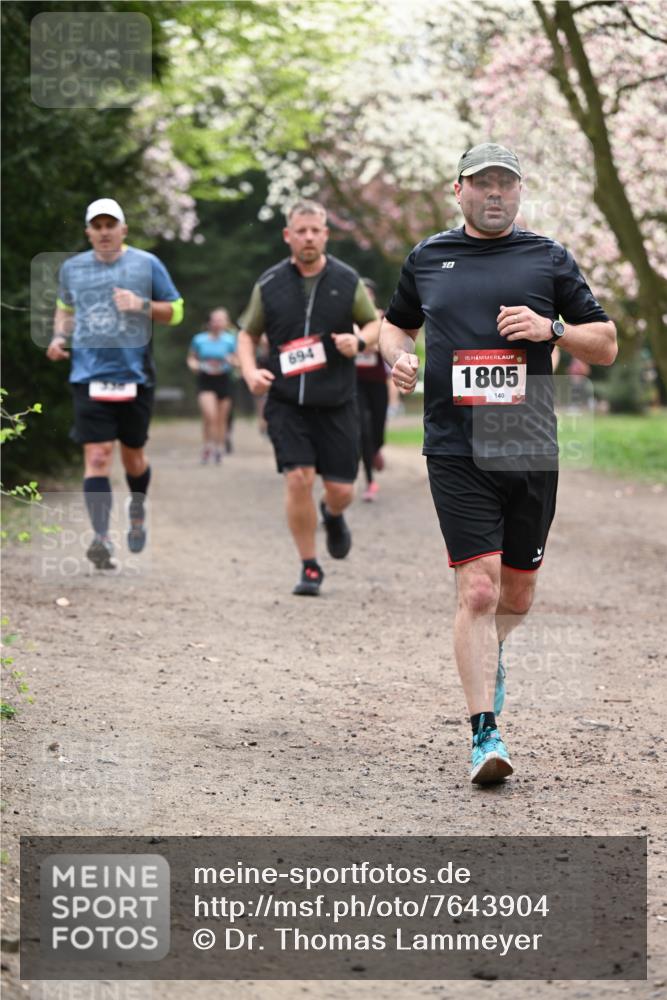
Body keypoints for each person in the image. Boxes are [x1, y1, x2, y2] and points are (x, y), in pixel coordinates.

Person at [380, 143, 617, 784]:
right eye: (483, 183)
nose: (495, 194)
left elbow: (608, 343)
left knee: (517, 592)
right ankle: (485, 734)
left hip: (524, 436)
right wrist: (394, 357)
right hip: (455, 442)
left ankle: (493, 652)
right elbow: (393, 324)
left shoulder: (548, 258)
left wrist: (553, 330)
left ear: (518, 193)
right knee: (478, 589)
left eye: (506, 185)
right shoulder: (428, 257)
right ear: (458, 189)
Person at [237, 199, 379, 596]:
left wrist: (360, 340)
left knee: (341, 491)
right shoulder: (269, 284)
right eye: (301, 230)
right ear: (288, 235)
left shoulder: (346, 279)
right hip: (286, 401)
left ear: (326, 234)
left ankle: (332, 516)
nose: (309, 237)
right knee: (298, 478)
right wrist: (250, 372)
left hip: (337, 400)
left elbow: (375, 323)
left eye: (316, 230)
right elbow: (247, 335)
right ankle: (309, 565)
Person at [46, 197, 184, 570]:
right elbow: (66, 309)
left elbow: (176, 311)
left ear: (123, 229)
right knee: (97, 455)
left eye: (111, 225)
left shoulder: (147, 264)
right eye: (98, 226)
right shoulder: (73, 269)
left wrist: (142, 304)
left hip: (135, 376)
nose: (105, 232)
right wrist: (59, 338)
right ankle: (102, 537)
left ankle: (136, 510)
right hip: (88, 375)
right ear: (88, 231)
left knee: (133, 457)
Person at [187, 308, 238, 464]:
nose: (217, 323)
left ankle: (218, 447)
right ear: (210, 322)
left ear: (226, 323)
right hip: (205, 380)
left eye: (221, 320)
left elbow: (240, 361)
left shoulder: (231, 340)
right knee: (210, 415)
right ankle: (207, 446)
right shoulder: (199, 339)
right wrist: (194, 365)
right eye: (215, 320)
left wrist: (232, 361)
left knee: (221, 419)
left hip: (224, 380)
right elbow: (191, 358)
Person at [355, 278, 389, 501]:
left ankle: (377, 448)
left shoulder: (383, 318)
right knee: (363, 430)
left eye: (369, 294)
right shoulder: (349, 319)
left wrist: (363, 341)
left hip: (377, 383)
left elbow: (382, 345)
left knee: (376, 428)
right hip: (355, 383)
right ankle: (370, 481)